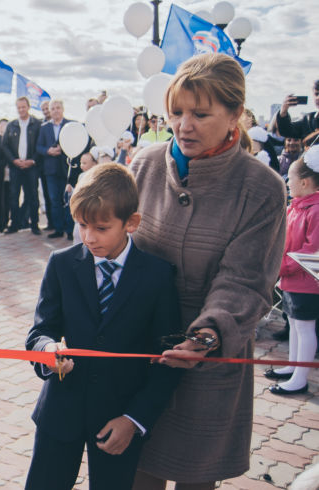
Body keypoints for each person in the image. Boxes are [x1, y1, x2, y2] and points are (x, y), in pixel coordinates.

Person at [129, 53, 286, 489]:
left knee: (195, 473)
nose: (184, 125)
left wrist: (207, 335)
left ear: (235, 114)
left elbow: (246, 279)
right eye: (176, 112)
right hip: (141, 351)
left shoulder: (262, 188)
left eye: (200, 114)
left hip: (209, 358)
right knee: (136, 471)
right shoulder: (143, 164)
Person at [25, 163, 181, 490]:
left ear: (131, 223)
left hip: (119, 417)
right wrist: (47, 351)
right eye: (82, 225)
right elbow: (40, 333)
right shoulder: (62, 265)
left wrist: (135, 419)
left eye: (101, 227)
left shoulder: (157, 275)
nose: (89, 237)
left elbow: (167, 360)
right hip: (60, 412)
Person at [266, 146, 319, 395]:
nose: (287, 182)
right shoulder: (297, 206)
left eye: (291, 179)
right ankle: (292, 366)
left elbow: (311, 252)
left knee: (305, 328)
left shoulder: (315, 210)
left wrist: (280, 267)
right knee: (296, 326)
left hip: (305, 281)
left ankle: (300, 377)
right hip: (290, 278)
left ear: (306, 182)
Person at [3, 96, 42, 234]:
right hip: (16, 167)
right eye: (18, 107)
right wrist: (14, 160)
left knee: (32, 196)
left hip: (31, 167)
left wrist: (32, 160)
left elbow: (40, 145)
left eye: (23, 107)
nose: (21, 110)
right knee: (13, 196)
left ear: (28, 107)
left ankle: (35, 224)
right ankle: (14, 224)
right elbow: (5, 146)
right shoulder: (11, 125)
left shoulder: (37, 124)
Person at [37, 100, 71, 239]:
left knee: (68, 200)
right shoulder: (44, 128)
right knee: (54, 200)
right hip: (50, 170)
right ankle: (58, 229)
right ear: (49, 111)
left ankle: (70, 230)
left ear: (62, 109)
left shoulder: (70, 125)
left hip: (66, 169)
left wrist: (63, 149)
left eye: (58, 108)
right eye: (53, 108)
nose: (55, 110)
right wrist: (48, 151)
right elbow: (38, 147)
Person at [277, 80, 319, 147]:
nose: (318, 98)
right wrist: (283, 111)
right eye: (316, 94)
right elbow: (286, 131)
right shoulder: (308, 119)